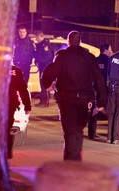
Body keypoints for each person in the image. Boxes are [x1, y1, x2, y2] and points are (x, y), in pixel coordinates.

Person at [42, 30, 107, 161]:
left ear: (68, 41)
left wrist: (47, 85)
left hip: (67, 99)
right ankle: (75, 158)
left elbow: (49, 72)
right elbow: (99, 79)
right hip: (85, 100)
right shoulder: (89, 57)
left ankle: (71, 161)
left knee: (70, 130)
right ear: (80, 41)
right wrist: (101, 101)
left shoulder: (63, 56)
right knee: (78, 130)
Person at [88, 43, 113, 140]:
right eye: (110, 49)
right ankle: (111, 134)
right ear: (106, 50)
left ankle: (92, 133)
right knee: (110, 111)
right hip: (105, 89)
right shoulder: (109, 61)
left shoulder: (95, 60)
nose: (112, 51)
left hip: (94, 89)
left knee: (93, 112)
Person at [8, 65, 32, 159]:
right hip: (9, 104)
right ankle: (6, 153)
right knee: (7, 129)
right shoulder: (15, 70)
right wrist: (27, 106)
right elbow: (22, 89)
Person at [34, 31, 54, 107]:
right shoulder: (40, 45)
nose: (36, 39)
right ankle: (42, 101)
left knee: (44, 85)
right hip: (42, 67)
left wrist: (39, 62)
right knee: (42, 85)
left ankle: (45, 102)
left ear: (40, 37)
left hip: (45, 68)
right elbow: (38, 55)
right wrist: (36, 62)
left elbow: (47, 57)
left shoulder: (45, 45)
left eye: (36, 37)